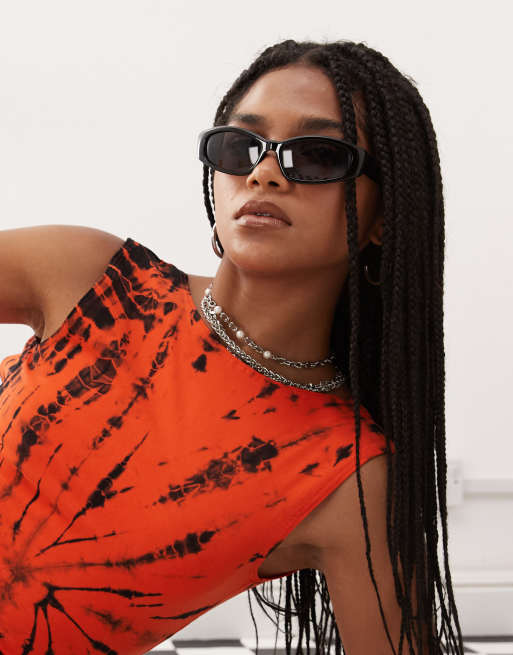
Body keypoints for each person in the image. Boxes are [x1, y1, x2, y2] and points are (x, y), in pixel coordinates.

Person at [0, 38, 464, 655]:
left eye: (317, 155)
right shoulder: (97, 281)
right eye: (241, 146)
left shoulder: (344, 475)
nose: (263, 172)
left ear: (384, 216)